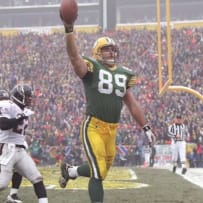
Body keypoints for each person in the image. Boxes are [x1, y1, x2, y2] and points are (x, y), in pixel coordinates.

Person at [58, 12, 155, 203]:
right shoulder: (92, 68)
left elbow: (131, 103)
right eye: (107, 49)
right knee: (97, 172)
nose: (111, 52)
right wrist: (69, 29)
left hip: (112, 130)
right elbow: (74, 57)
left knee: (102, 172)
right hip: (93, 126)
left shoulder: (123, 73)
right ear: (97, 52)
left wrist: (146, 127)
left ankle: (71, 171)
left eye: (113, 49)